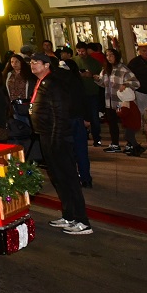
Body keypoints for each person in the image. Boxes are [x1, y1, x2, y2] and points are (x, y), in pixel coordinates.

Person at [28, 53, 91, 234]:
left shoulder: (54, 83)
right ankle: (69, 215)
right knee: (58, 178)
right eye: (31, 62)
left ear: (47, 65)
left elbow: (60, 113)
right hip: (46, 135)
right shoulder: (43, 82)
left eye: (36, 62)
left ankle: (82, 220)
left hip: (57, 137)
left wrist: (56, 138)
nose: (32, 65)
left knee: (69, 177)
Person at [95, 46, 134, 152]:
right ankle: (115, 144)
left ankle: (131, 143)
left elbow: (135, 82)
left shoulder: (122, 69)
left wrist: (125, 84)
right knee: (112, 123)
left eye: (111, 55)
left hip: (120, 102)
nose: (109, 57)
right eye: (107, 55)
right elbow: (104, 84)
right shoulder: (105, 70)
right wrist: (98, 80)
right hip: (109, 101)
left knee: (125, 122)